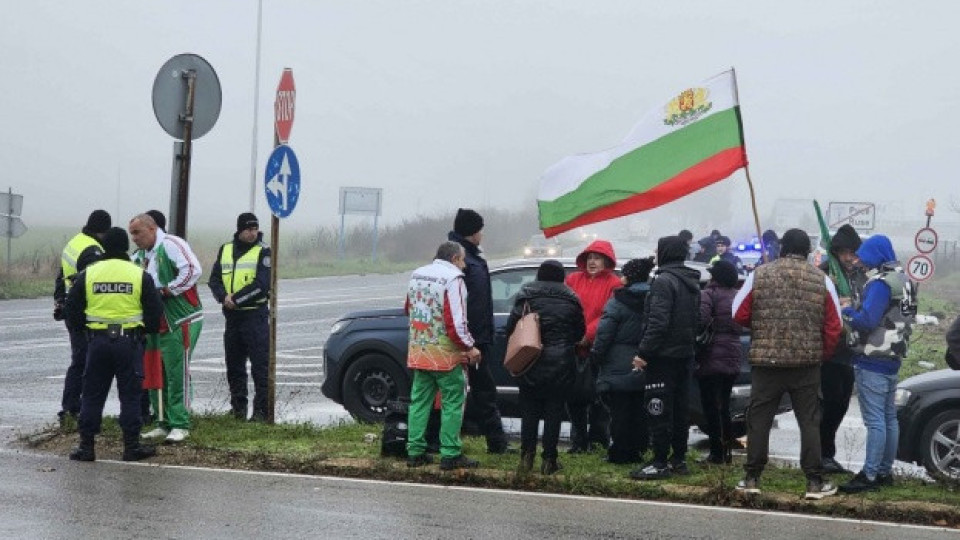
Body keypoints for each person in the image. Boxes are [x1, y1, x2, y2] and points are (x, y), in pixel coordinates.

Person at [732, 228, 842, 499]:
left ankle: (752, 478)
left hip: (766, 363)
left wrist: (760, 325)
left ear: (781, 248)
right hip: (806, 364)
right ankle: (814, 482)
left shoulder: (760, 274)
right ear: (807, 252)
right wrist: (822, 355)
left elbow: (738, 313)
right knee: (809, 421)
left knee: (759, 419)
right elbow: (834, 326)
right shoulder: (822, 280)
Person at [65, 227, 162, 462]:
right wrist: (143, 331)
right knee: (130, 395)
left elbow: (72, 309)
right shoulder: (138, 273)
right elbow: (154, 312)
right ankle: (131, 447)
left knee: (92, 395)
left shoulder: (89, 273)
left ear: (104, 247)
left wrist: (85, 330)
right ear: (126, 247)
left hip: (97, 342)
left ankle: (86, 447)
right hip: (129, 341)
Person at [839, 235, 914, 493]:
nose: (860, 261)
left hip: (873, 357)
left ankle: (869, 475)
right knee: (889, 418)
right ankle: (884, 471)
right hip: (893, 356)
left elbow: (868, 321)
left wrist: (847, 312)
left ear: (875, 256)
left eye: (864, 256)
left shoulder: (880, 284)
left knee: (875, 421)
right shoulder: (905, 280)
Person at [404, 241, 482, 471]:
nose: (465, 264)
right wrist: (470, 347)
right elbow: (456, 323)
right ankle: (450, 453)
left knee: (419, 403)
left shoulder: (417, 274)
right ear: (455, 259)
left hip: (420, 350)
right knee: (453, 402)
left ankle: (415, 450)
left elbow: (409, 308)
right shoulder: (454, 279)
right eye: (463, 259)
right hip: (446, 355)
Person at [629, 236, 701, 480]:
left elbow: (658, 322)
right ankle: (678, 459)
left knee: (657, 408)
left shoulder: (664, 281)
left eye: (657, 249)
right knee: (680, 410)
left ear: (666, 252)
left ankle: (659, 461)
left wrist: (643, 353)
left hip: (662, 357)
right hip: (685, 355)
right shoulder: (691, 281)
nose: (654, 253)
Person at [129, 213, 204, 443]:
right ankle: (162, 421)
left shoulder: (171, 245)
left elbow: (192, 270)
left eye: (137, 232)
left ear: (152, 229)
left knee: (175, 371)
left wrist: (168, 290)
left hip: (179, 319)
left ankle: (180, 423)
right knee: (154, 372)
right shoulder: (138, 256)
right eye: (131, 233)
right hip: (154, 323)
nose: (134, 238)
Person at [506, 260, 585, 474]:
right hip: (561, 363)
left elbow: (511, 326)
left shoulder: (526, 296)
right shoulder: (572, 300)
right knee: (554, 411)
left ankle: (526, 457)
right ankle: (549, 459)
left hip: (530, 361)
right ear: (562, 278)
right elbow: (579, 332)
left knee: (529, 410)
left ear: (539, 276)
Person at [447, 208, 510, 453]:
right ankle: (493, 443)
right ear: (473, 232)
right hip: (466, 338)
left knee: (483, 390)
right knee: (466, 391)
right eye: (480, 230)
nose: (482, 234)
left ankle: (496, 442)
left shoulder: (471, 257)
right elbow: (457, 303)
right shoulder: (459, 258)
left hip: (477, 336)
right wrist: (468, 339)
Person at [208, 212, 271, 421]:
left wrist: (237, 299)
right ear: (239, 229)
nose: (252, 233)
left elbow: (262, 285)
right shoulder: (225, 249)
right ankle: (238, 409)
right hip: (233, 318)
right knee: (234, 365)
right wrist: (223, 297)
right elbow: (214, 279)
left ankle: (261, 411)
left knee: (260, 366)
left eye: (255, 229)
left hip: (255, 316)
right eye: (248, 229)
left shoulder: (263, 251)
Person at [591, 257, 654, 464]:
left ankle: (619, 453)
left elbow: (604, 334)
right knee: (640, 410)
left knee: (620, 412)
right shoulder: (655, 298)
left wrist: (596, 357)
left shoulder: (617, 301)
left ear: (628, 277)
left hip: (617, 364)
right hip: (645, 361)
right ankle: (639, 450)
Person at [53, 210, 112, 425]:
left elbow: (62, 276)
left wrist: (59, 300)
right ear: (104, 231)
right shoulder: (92, 251)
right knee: (84, 362)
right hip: (83, 313)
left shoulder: (75, 242)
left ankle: (71, 408)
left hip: (71, 308)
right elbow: (94, 283)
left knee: (79, 360)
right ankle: (74, 409)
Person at [817, 224, 867, 475]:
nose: (850, 258)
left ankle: (826, 453)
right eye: (846, 253)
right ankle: (823, 454)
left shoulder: (857, 274)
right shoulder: (824, 273)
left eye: (853, 253)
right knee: (831, 402)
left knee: (842, 403)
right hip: (828, 348)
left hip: (849, 348)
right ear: (836, 252)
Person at [564, 239, 621, 452]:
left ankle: (598, 441)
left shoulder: (614, 284)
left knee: (599, 398)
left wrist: (587, 335)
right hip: (573, 348)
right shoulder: (572, 279)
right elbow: (565, 308)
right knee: (574, 397)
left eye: (597, 258)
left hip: (599, 349)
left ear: (607, 261)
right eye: (589, 257)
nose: (592, 262)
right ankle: (578, 441)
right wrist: (573, 335)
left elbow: (608, 314)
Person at [694, 260, 743, 465]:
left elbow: (701, 320)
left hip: (712, 355)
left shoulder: (709, 294)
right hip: (733, 352)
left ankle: (717, 453)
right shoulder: (737, 295)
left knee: (711, 407)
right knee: (724, 406)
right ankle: (726, 452)